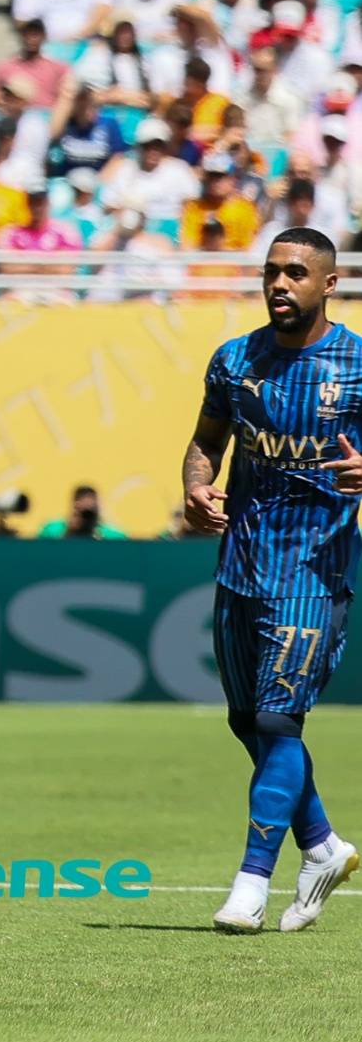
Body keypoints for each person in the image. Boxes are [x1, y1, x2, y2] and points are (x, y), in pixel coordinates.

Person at [181, 225, 362, 931]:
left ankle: (251, 882)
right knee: (245, 720)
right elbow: (206, 441)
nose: (279, 283)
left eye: (295, 272)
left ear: (329, 284)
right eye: (271, 271)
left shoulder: (356, 363)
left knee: (279, 719)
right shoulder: (235, 360)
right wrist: (195, 487)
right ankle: (322, 846)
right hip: (242, 562)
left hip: (314, 568)